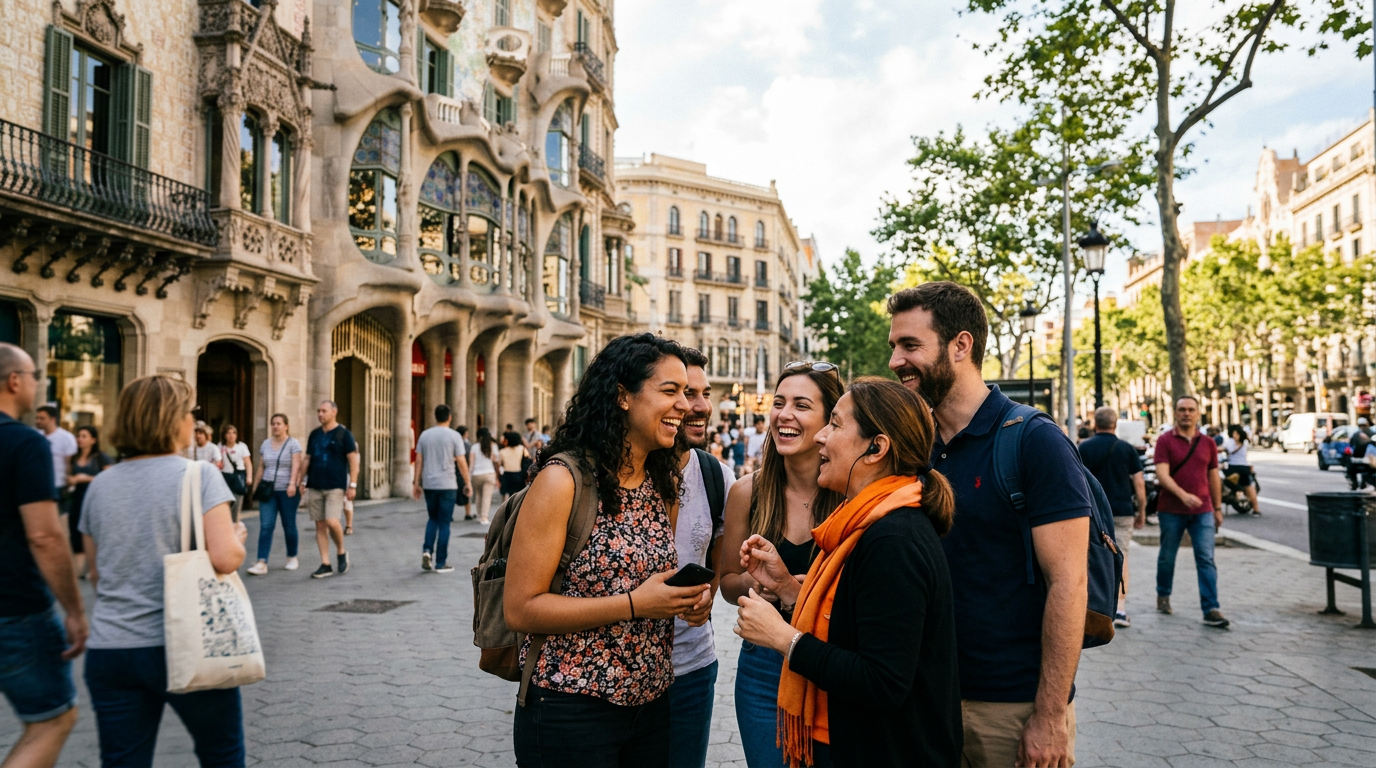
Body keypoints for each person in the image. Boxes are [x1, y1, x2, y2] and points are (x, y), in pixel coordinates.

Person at [887, 282, 1091, 767]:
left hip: (1010, 710)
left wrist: (1049, 715)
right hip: (924, 703)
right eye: (893, 346)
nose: (895, 360)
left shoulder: (1035, 441)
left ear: (961, 345)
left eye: (910, 345)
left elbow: (1069, 584)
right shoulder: (913, 447)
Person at [506, 334, 709, 767]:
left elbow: (655, 584)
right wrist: (636, 604)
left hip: (651, 704)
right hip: (570, 707)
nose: (686, 406)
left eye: (687, 394)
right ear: (622, 396)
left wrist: (687, 601)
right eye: (670, 391)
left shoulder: (662, 484)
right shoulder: (563, 481)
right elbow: (521, 609)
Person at [736, 377, 962, 767]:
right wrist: (790, 590)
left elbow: (881, 681)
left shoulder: (893, 539)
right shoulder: (866, 522)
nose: (822, 437)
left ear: (877, 448)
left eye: (836, 424)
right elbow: (858, 623)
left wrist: (783, 638)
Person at [79, 374, 248, 766]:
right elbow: (225, 559)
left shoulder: (100, 485)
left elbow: (97, 574)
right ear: (173, 419)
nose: (194, 421)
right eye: (191, 413)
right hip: (186, 643)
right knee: (221, 753)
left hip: (111, 649)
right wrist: (236, 536)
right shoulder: (199, 475)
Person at [719, 361, 845, 768]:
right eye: (779, 403)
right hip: (762, 670)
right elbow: (727, 583)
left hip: (833, 665)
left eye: (801, 405)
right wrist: (759, 587)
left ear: (830, 421)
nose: (784, 415)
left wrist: (798, 587)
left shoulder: (850, 495)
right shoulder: (746, 492)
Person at [0, 343, 87, 768]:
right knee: (52, 719)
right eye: (35, 375)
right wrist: (74, 609)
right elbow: (46, 536)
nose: (38, 383)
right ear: (14, 381)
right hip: (14, 608)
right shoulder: (24, 442)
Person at [666, 347, 735, 768]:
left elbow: (718, 561)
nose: (702, 407)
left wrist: (705, 595)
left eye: (704, 393)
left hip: (691, 668)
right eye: (687, 393)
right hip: (609, 679)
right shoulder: (602, 475)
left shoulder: (715, 475)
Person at [1154, 396, 1229, 628]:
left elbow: (1213, 477)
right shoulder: (1164, 441)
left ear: (1198, 413)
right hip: (1170, 510)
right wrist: (1182, 495)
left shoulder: (1208, 443)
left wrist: (1217, 507)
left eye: (1191, 410)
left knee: (1206, 558)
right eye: (1182, 410)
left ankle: (1211, 608)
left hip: (1203, 510)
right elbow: (1162, 474)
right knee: (1168, 556)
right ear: (1175, 413)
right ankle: (1163, 594)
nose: (1186, 413)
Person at [1078, 407, 1146, 628]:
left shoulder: (1083, 448)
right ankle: (1119, 609)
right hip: (1122, 511)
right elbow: (1139, 483)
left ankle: (1089, 606)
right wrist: (1142, 510)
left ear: (1095, 424)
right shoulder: (1127, 449)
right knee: (1121, 555)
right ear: (1115, 424)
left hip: (1092, 511)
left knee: (1089, 555)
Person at [300, 401, 358, 579]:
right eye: (318, 411)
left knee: (332, 521)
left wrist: (352, 485)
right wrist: (301, 480)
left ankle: (341, 551)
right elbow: (307, 458)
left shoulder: (343, 434)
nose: (320, 414)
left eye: (323, 411)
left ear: (334, 412)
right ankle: (325, 564)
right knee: (319, 525)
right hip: (315, 484)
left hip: (335, 485)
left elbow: (353, 460)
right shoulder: (314, 435)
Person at [412, 404, 471, 574]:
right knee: (445, 523)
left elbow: (419, 460)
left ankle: (427, 550)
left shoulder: (425, 435)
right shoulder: (454, 436)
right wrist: (467, 483)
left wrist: (416, 483)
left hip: (430, 484)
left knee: (433, 519)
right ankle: (440, 562)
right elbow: (461, 461)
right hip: (448, 485)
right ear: (450, 417)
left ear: (435, 416)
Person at [247, 414, 304, 576]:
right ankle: (261, 562)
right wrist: (255, 488)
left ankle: (292, 556)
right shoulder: (266, 444)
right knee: (266, 525)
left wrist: (293, 484)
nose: (275, 427)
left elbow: (296, 465)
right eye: (273, 424)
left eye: (279, 424)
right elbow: (261, 467)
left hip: (287, 491)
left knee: (289, 524)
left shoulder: (293, 444)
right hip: (268, 492)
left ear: (286, 426)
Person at [68, 425, 113, 578]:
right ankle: (78, 572)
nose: (79, 439)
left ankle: (93, 569)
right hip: (77, 500)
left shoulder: (101, 458)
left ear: (93, 440)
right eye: (78, 435)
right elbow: (67, 477)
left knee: (94, 535)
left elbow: (111, 479)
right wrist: (71, 480)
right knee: (76, 535)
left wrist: (85, 479)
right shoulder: (73, 458)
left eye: (84, 436)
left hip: (96, 501)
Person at [34, 405, 76, 513]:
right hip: (38, 485)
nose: (38, 421)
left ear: (53, 419)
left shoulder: (66, 438)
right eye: (37, 418)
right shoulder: (35, 436)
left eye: (42, 418)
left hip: (58, 485)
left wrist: (69, 483)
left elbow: (70, 463)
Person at [1222, 424, 1260, 517]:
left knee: (1224, 481)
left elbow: (1222, 449)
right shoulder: (1245, 442)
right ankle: (1256, 509)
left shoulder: (1229, 442)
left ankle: (1236, 493)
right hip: (1244, 467)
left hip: (1232, 467)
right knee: (1249, 486)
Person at [219, 425, 252, 522]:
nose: (231, 435)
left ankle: (235, 522)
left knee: (237, 501)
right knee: (226, 502)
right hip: (225, 475)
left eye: (233, 433)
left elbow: (248, 463)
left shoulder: (242, 446)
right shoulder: (220, 446)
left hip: (238, 475)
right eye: (228, 433)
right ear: (224, 435)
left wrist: (249, 477)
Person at [467, 428, 500, 525]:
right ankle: (484, 517)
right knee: (487, 496)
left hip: (476, 474)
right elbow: (497, 461)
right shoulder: (493, 446)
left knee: (478, 494)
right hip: (489, 473)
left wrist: (468, 478)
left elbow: (471, 464)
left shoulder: (474, 447)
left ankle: (478, 514)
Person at [499, 431, 532, 499]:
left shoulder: (502, 451)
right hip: (518, 474)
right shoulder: (522, 449)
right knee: (517, 494)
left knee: (505, 493)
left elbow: (500, 464)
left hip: (506, 474)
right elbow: (528, 458)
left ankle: (505, 508)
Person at [457, 425, 474, 520]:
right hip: (463, 470)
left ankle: (450, 514)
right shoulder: (466, 445)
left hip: (454, 470)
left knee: (455, 492)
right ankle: (468, 513)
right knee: (466, 491)